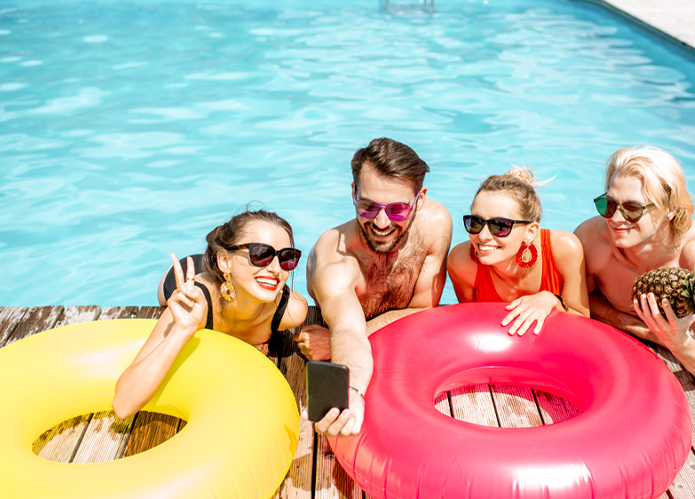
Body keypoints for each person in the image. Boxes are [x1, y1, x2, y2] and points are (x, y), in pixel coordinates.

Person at [295, 137, 452, 437]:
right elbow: (347, 331)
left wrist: (342, 339)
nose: (381, 222)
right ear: (353, 193)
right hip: (355, 342)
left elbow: (423, 310)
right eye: (368, 206)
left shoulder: (435, 225)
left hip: (402, 343)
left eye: (397, 210)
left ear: (420, 199)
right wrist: (351, 391)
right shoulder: (335, 257)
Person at [113, 209, 309, 419]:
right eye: (260, 254)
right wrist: (182, 329)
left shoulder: (291, 311)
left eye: (287, 257)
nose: (276, 269)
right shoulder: (193, 300)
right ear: (225, 260)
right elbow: (123, 406)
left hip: (232, 276)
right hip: (197, 273)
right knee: (166, 294)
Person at [574, 146, 695, 387]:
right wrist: (642, 329)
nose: (615, 219)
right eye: (609, 204)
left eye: (632, 209)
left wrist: (680, 342)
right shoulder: (592, 240)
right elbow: (572, 301)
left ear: (669, 209)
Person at [447, 168, 589, 336]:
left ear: (530, 232)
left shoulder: (564, 250)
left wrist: (552, 301)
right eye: (476, 222)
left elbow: (583, 322)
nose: (483, 236)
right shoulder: (462, 264)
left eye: (499, 225)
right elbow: (471, 324)